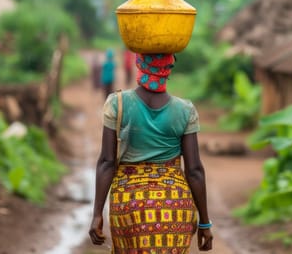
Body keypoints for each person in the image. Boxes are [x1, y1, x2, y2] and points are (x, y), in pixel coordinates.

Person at [89, 53, 213, 253]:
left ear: (139, 64)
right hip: (173, 205)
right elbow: (195, 170)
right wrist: (205, 224)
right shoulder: (185, 110)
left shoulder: (116, 103)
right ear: (168, 69)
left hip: (129, 204)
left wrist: (96, 215)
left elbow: (106, 162)